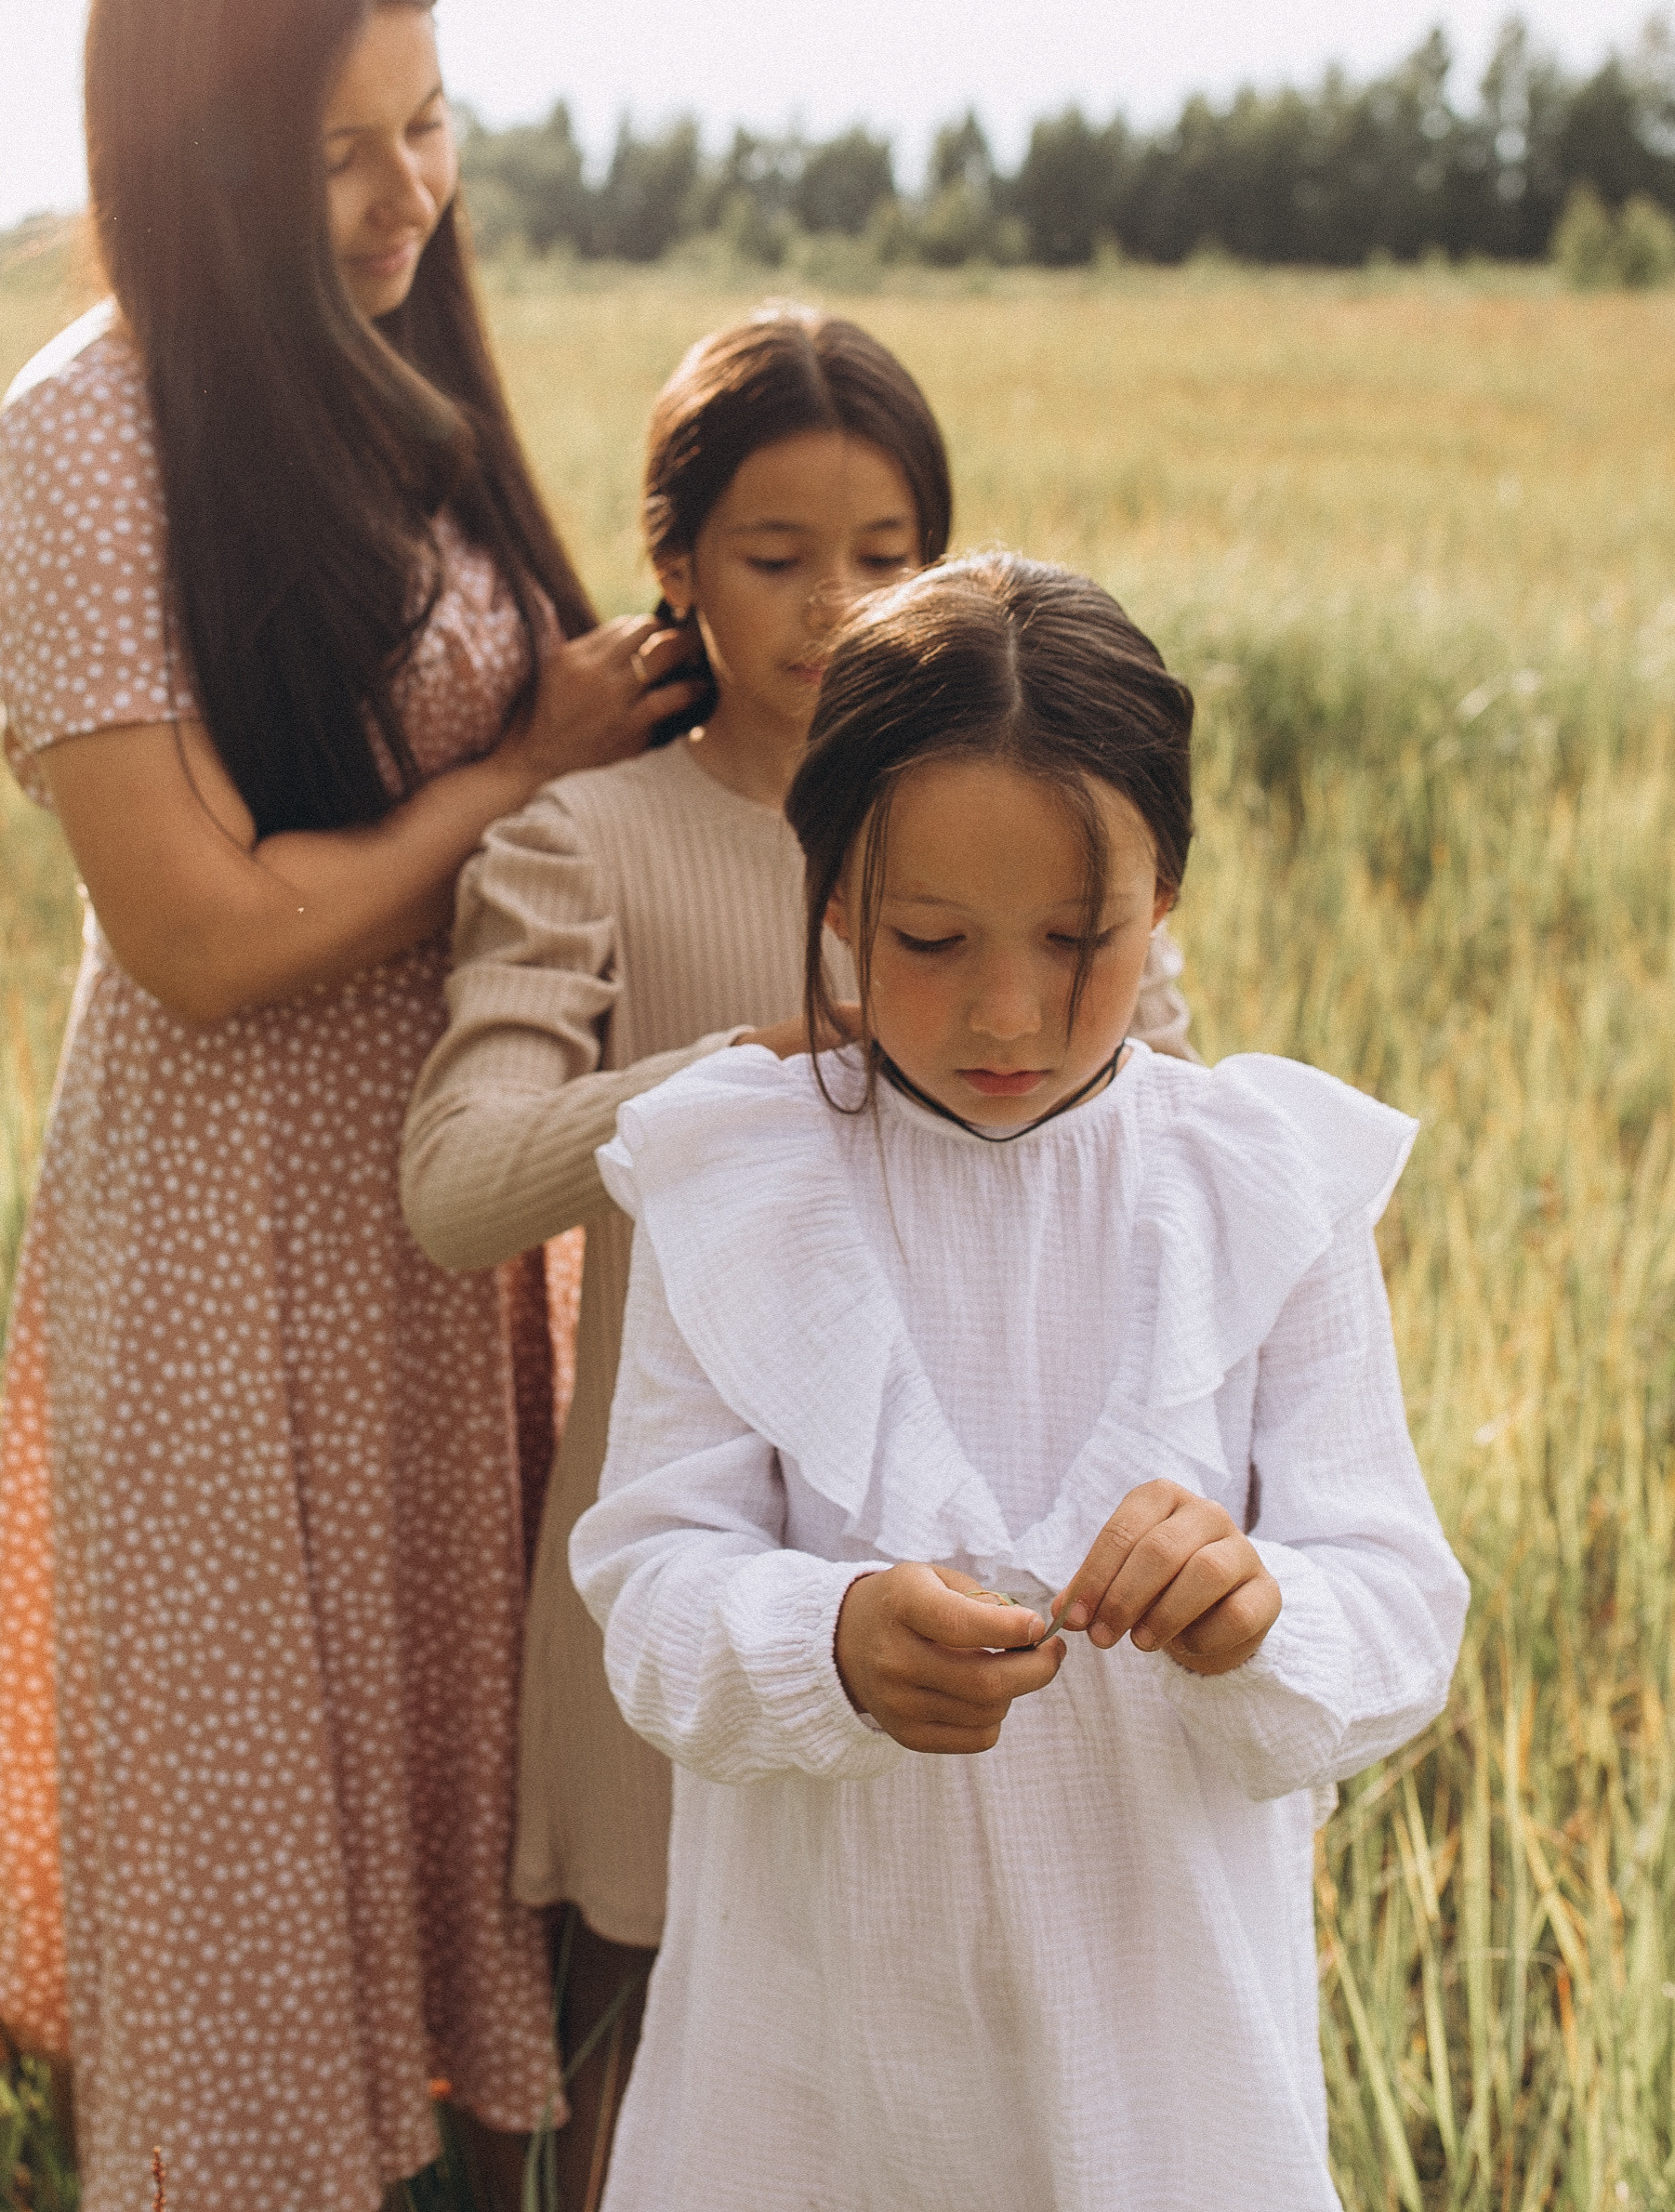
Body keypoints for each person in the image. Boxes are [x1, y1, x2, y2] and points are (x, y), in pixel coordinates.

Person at [0, 0, 699, 2212]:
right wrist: (515, 775)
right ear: (199, 162)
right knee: (259, 1835)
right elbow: (191, 931)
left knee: (464, 1799)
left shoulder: (386, 381)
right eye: (341, 151)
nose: (410, 192)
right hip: (231, 1233)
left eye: (429, 122)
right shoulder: (88, 437)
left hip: (455, 1201)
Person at [400, 328, 1197, 2202]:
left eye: (884, 550)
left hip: (1006, 1574)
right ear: (673, 560)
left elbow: (1161, 1138)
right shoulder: (584, 839)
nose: (833, 602)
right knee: (656, 2042)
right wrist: (746, 1072)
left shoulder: (1027, 836)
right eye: (775, 554)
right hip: (693, 1542)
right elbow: (453, 1188)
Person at [570, 554, 1469, 2211]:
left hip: (1163, 2061)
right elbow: (649, 1590)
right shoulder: (739, 1182)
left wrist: (1259, 1609)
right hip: (817, 2059)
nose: (1009, 1011)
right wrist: (827, 1641)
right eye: (931, 939)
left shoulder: (1260, 1189)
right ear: (835, 898)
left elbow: (1400, 1607)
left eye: (1077, 939)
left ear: (1165, 892)